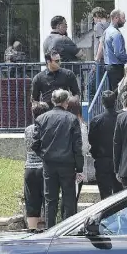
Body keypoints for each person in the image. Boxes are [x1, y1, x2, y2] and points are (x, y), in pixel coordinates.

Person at [31, 89, 83, 227]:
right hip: (67, 164)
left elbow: (35, 144)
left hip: (49, 164)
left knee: (50, 199)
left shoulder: (41, 119)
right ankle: (68, 228)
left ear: (53, 101)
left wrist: (45, 156)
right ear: (66, 102)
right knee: (69, 199)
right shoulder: (72, 119)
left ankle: (50, 228)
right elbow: (77, 146)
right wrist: (80, 167)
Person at [88, 90, 123, 200]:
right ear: (115, 102)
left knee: (104, 195)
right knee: (120, 195)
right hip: (119, 160)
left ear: (102, 102)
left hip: (102, 160)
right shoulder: (122, 118)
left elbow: (91, 140)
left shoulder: (96, 120)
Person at [23, 101, 49, 229]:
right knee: (47, 201)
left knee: (31, 203)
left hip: (29, 168)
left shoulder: (27, 130)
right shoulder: (47, 129)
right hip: (44, 168)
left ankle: (32, 230)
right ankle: (46, 229)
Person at [104, 9, 127, 90]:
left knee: (112, 92)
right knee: (117, 92)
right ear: (116, 18)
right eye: (123, 18)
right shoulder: (116, 34)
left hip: (109, 66)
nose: (125, 20)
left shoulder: (107, 31)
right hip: (116, 67)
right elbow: (119, 53)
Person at [90, 6, 110, 92]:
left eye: (93, 18)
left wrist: (96, 60)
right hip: (109, 62)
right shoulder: (110, 26)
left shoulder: (99, 25)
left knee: (91, 87)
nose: (93, 21)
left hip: (101, 61)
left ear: (97, 16)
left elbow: (102, 42)